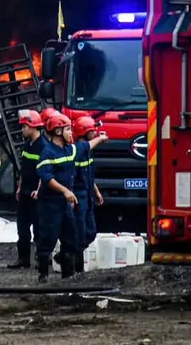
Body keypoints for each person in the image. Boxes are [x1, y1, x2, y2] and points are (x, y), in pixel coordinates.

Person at [34, 113, 80, 282]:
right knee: (48, 236)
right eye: (68, 129)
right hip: (49, 204)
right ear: (58, 132)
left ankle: (68, 274)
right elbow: (47, 178)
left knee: (71, 236)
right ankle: (43, 275)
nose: (71, 133)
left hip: (64, 204)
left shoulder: (69, 149)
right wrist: (65, 191)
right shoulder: (47, 153)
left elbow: (86, 147)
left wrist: (100, 139)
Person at [8, 109, 45, 270]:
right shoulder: (27, 145)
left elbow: (44, 172)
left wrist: (39, 190)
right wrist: (19, 187)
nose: (22, 130)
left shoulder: (43, 146)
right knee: (22, 226)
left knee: (38, 227)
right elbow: (24, 168)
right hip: (24, 192)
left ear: (33, 127)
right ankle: (23, 258)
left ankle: (40, 258)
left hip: (36, 193)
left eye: (24, 127)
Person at [70, 115, 108, 273]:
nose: (96, 133)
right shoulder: (77, 152)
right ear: (85, 133)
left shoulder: (88, 153)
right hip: (78, 195)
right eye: (93, 131)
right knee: (79, 231)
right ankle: (76, 268)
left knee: (90, 231)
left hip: (87, 194)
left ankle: (68, 254)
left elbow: (88, 175)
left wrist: (96, 191)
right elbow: (71, 176)